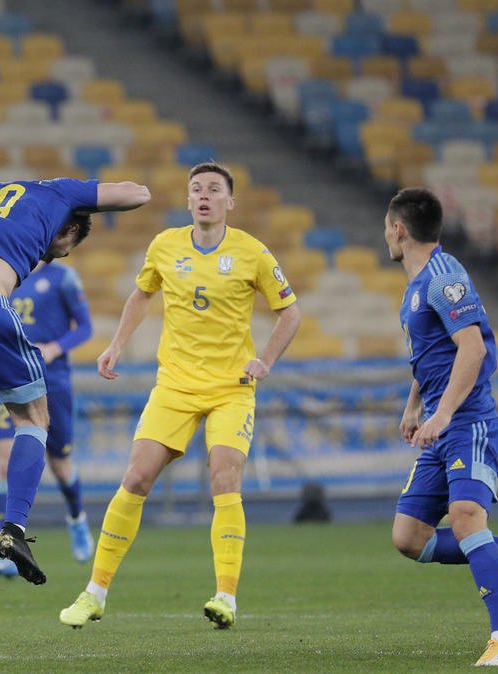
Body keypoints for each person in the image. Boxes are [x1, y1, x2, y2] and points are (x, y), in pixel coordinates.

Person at [60, 161, 301, 629]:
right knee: (136, 478)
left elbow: (289, 312)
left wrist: (265, 360)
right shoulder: (165, 246)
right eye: (197, 189)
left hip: (232, 389)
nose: (204, 195)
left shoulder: (251, 252)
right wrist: (115, 345)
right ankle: (95, 592)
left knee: (224, 478)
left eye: (214, 189)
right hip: (174, 385)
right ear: (188, 201)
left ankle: (226, 597)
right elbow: (140, 295)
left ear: (230, 201)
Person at [0, 176, 150, 601]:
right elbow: (138, 193)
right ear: (71, 229)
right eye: (64, 248)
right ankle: (13, 530)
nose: (54, 253)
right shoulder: (59, 199)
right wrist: (79, 197)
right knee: (35, 419)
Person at [383, 187, 498, 667]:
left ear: (399, 229)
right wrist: (414, 405)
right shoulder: (414, 286)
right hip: (439, 426)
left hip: (468, 423)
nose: (386, 236)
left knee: (464, 518)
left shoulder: (444, 277)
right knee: (409, 539)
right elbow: (431, 356)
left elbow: (473, 348)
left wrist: (441, 415)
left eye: (387, 228)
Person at [0, 260, 95, 578]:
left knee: (60, 465)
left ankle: (76, 519)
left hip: (51, 380)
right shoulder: (2, 272)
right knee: (5, 461)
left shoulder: (63, 276)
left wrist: (55, 348)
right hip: (7, 378)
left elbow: (85, 327)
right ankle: (5, 551)